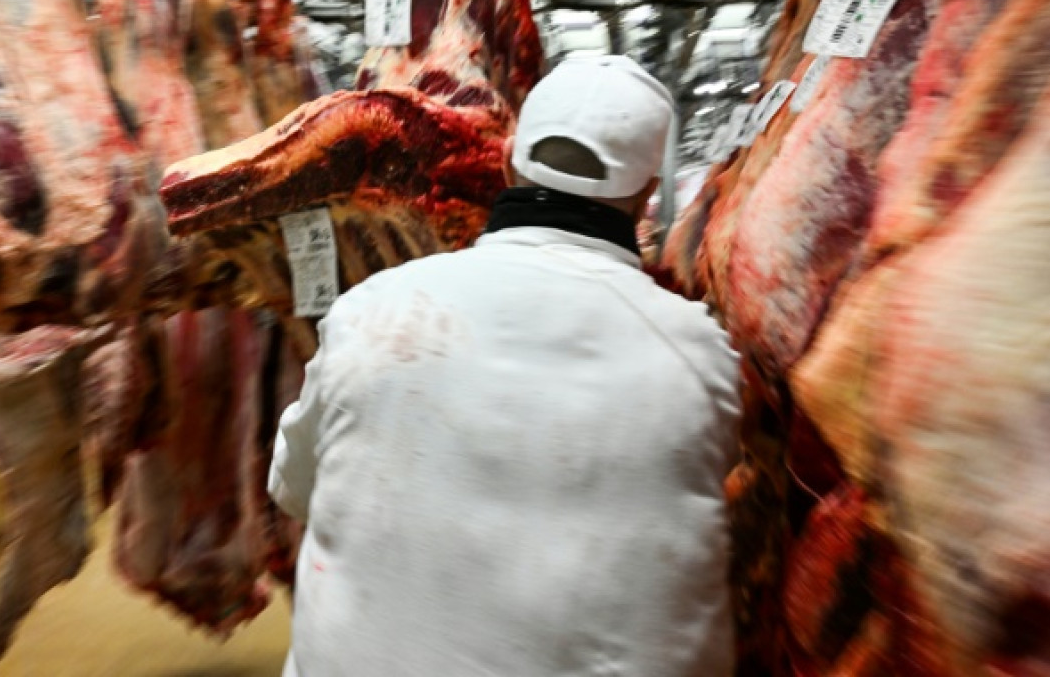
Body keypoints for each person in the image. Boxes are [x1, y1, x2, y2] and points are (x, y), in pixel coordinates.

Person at [269, 54, 742, 677]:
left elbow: (291, 488)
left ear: (506, 158)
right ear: (647, 195)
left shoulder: (373, 309)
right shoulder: (699, 355)